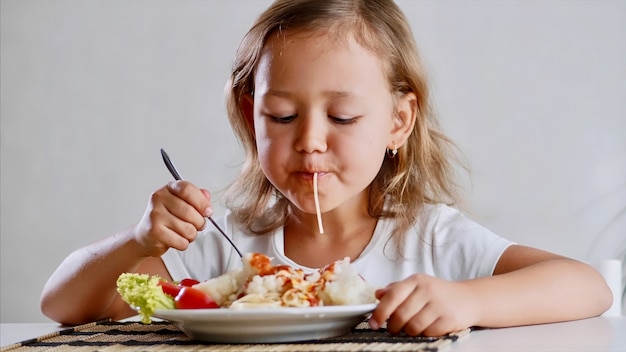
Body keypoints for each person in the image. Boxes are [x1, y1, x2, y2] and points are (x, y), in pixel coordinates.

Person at [41, 0, 612, 336]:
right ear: (251, 116)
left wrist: (469, 301)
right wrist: (137, 240)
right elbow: (61, 306)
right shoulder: (222, 252)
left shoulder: (429, 239)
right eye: (283, 116)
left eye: (342, 116)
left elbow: (587, 287)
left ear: (397, 121)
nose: (310, 141)